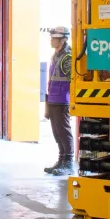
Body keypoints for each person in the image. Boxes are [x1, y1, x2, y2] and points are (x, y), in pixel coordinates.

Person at [45, 26, 74, 176]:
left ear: (62, 40)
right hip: (53, 98)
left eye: (54, 38)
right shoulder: (55, 55)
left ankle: (68, 162)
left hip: (63, 100)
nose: (51, 40)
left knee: (63, 131)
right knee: (57, 132)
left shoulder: (67, 57)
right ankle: (61, 160)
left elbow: (73, 80)